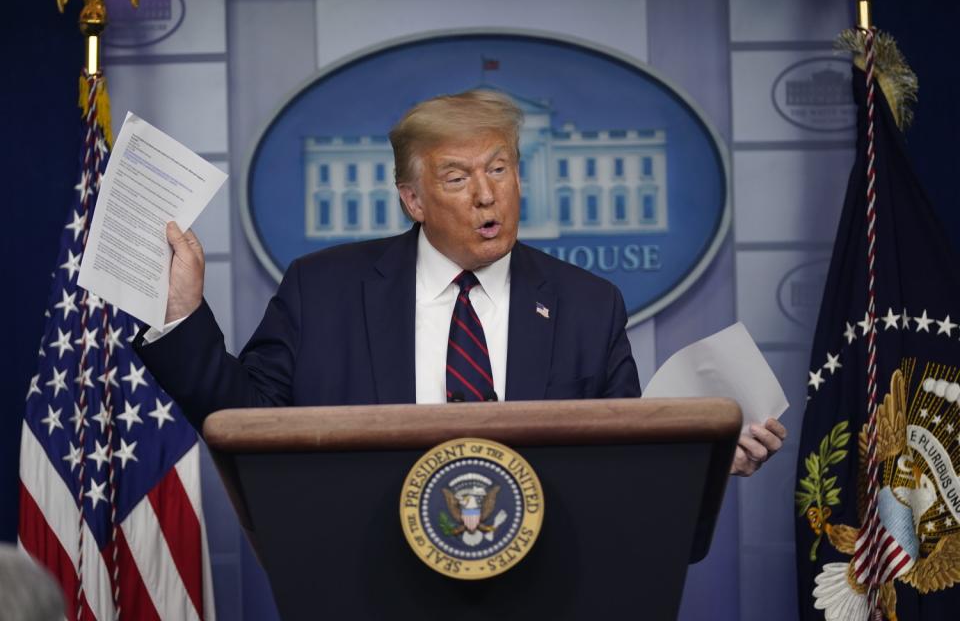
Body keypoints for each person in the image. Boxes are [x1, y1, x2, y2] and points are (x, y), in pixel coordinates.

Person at [134, 90, 784, 476]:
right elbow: (247, 425)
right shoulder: (321, 290)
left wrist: (706, 466)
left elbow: (622, 468)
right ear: (412, 199)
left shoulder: (588, 305)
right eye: (457, 178)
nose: (486, 195)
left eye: (500, 169)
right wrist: (185, 312)